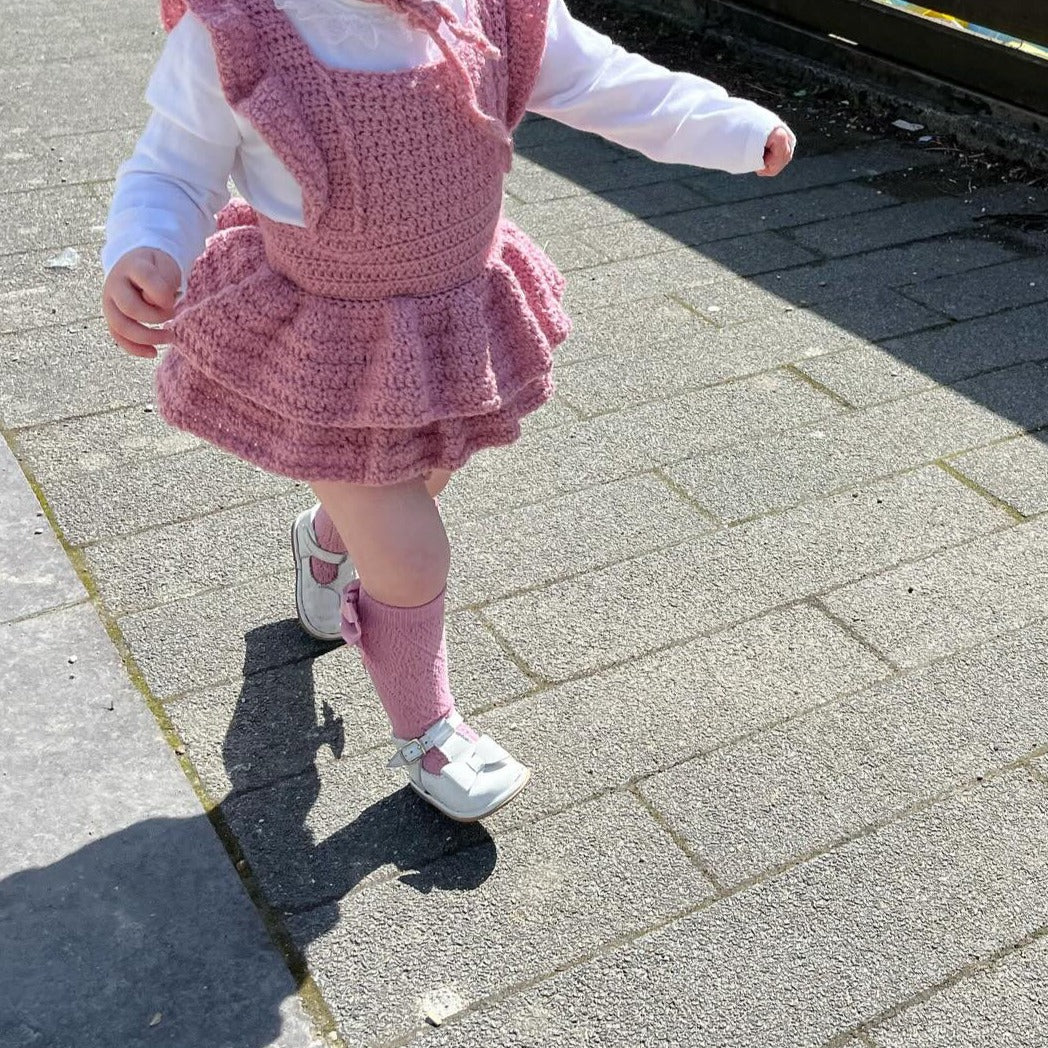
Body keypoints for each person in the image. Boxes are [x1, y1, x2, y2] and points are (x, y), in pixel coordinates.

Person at [101, 0, 795, 823]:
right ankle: (429, 730)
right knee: (411, 551)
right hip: (329, 341)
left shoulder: (498, 12)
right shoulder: (241, 34)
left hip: (441, 330)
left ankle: (327, 545)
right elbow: (175, 168)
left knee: (420, 481)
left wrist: (730, 126)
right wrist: (147, 246)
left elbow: (610, 83)